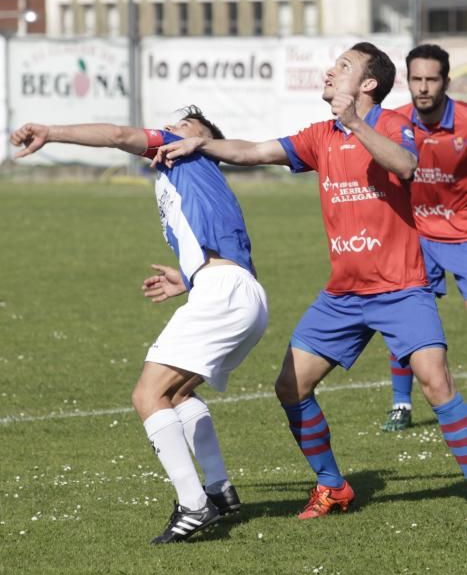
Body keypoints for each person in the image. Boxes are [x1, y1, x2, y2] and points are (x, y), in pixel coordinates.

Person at [154, 42, 467, 518]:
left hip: (401, 287)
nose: (329, 71)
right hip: (343, 294)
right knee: (289, 387)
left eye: (342, 66)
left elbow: (405, 166)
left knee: (436, 384)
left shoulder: (390, 124)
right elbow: (256, 151)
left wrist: (357, 125)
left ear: (367, 84)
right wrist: (204, 144)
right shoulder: (321, 135)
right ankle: (332, 486)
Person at [10, 105, 268, 544]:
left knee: (148, 394)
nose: (172, 130)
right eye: (172, 126)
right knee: (178, 393)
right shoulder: (189, 175)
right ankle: (220, 490)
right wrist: (188, 278)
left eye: (186, 126)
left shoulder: (187, 155)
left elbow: (115, 135)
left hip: (224, 291)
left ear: (201, 141)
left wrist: (51, 131)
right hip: (234, 291)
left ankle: (193, 505)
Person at [381, 44, 467, 432]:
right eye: (416, 79)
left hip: (463, 236)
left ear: (446, 81)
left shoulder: (465, 122)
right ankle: (401, 402)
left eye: (432, 79)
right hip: (414, 236)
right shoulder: (393, 121)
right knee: (406, 321)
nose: (423, 87)